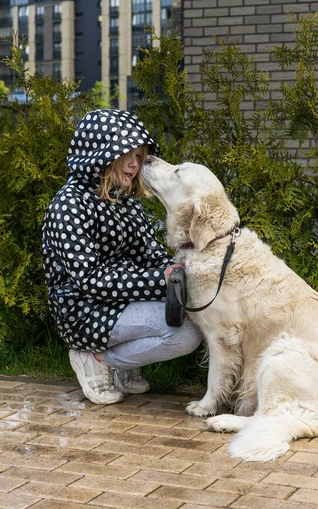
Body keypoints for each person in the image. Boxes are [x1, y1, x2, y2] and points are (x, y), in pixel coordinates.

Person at [42, 109, 202, 405]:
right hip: (82, 310)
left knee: (191, 320)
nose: (134, 164)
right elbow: (91, 280)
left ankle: (122, 366)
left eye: (139, 156)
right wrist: (160, 279)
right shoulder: (68, 206)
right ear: (99, 154)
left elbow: (150, 254)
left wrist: (183, 268)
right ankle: (97, 359)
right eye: (126, 155)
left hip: (120, 300)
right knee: (184, 335)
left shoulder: (125, 202)